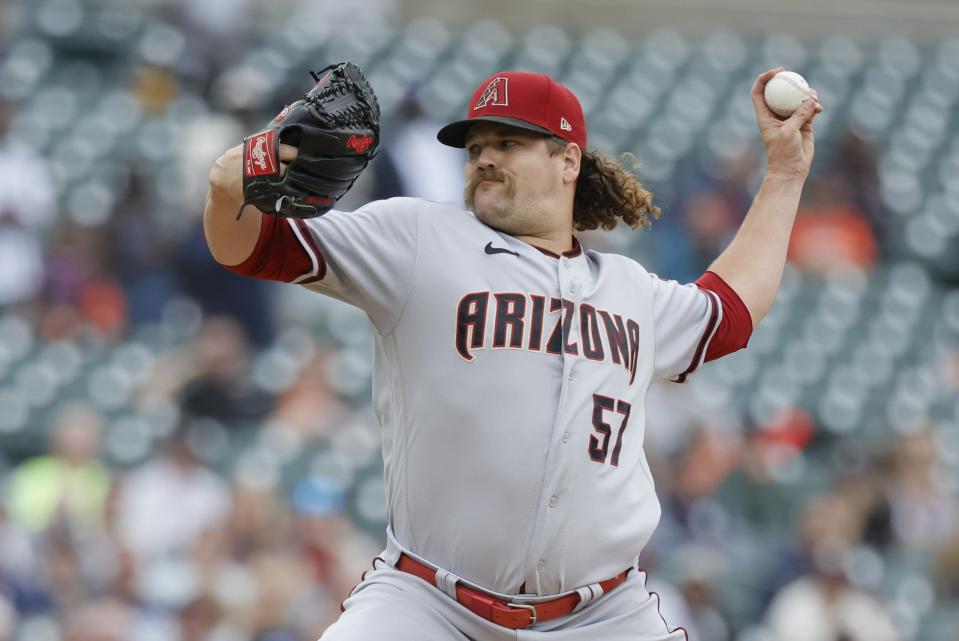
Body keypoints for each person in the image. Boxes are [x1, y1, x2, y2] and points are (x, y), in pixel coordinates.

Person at [203, 67, 822, 640]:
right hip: (428, 602)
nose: (486, 158)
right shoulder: (417, 239)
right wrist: (236, 173)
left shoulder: (631, 290)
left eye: (510, 142)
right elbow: (248, 246)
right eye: (476, 148)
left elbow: (731, 312)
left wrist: (786, 174)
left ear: (568, 160)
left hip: (603, 614)